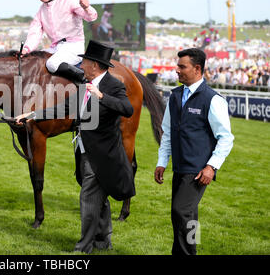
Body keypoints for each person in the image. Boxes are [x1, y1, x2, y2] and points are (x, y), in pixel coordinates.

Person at [17, 40, 135, 253]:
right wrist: (32, 115)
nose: (80, 66)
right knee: (99, 196)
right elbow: (65, 107)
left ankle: (83, 247)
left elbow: (127, 109)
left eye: (85, 62)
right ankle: (103, 240)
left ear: (96, 65)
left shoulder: (113, 85)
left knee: (88, 197)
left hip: (102, 152)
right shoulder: (84, 84)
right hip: (83, 149)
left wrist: (102, 97)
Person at [154, 48, 234, 255]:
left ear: (197, 68)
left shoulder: (213, 99)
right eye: (178, 65)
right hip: (179, 167)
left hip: (198, 170)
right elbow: (168, 132)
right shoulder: (175, 95)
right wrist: (162, 161)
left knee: (181, 211)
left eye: (182, 66)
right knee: (186, 216)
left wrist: (211, 166)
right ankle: (188, 251)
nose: (177, 70)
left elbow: (226, 138)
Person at [21, 0, 98, 84]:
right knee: (34, 61)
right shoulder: (40, 12)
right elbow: (34, 34)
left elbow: (91, 17)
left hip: (74, 47)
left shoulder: (68, 1)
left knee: (52, 64)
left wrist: (86, 7)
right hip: (56, 48)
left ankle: (85, 81)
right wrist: (26, 50)